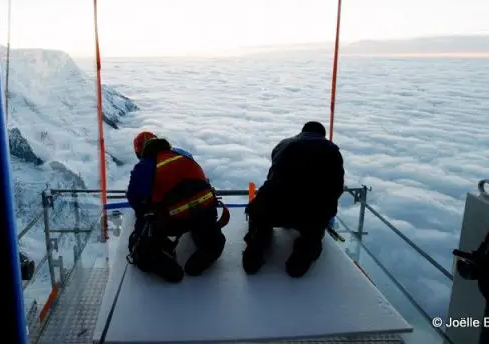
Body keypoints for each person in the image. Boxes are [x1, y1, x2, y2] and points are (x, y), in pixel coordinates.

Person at [242, 121, 344, 277]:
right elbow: (336, 188)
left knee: (260, 215)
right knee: (313, 233)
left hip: (275, 207)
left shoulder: (284, 144)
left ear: (301, 132)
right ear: (322, 135)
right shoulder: (333, 151)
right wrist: (326, 214)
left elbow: (273, 176)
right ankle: (303, 254)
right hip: (313, 213)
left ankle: (258, 239)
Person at [126, 131, 227, 283]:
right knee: (208, 234)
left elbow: (134, 198)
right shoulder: (183, 154)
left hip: (172, 221)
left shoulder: (144, 166)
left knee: (144, 228)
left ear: (139, 153)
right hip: (204, 211)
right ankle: (210, 246)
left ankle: (157, 258)